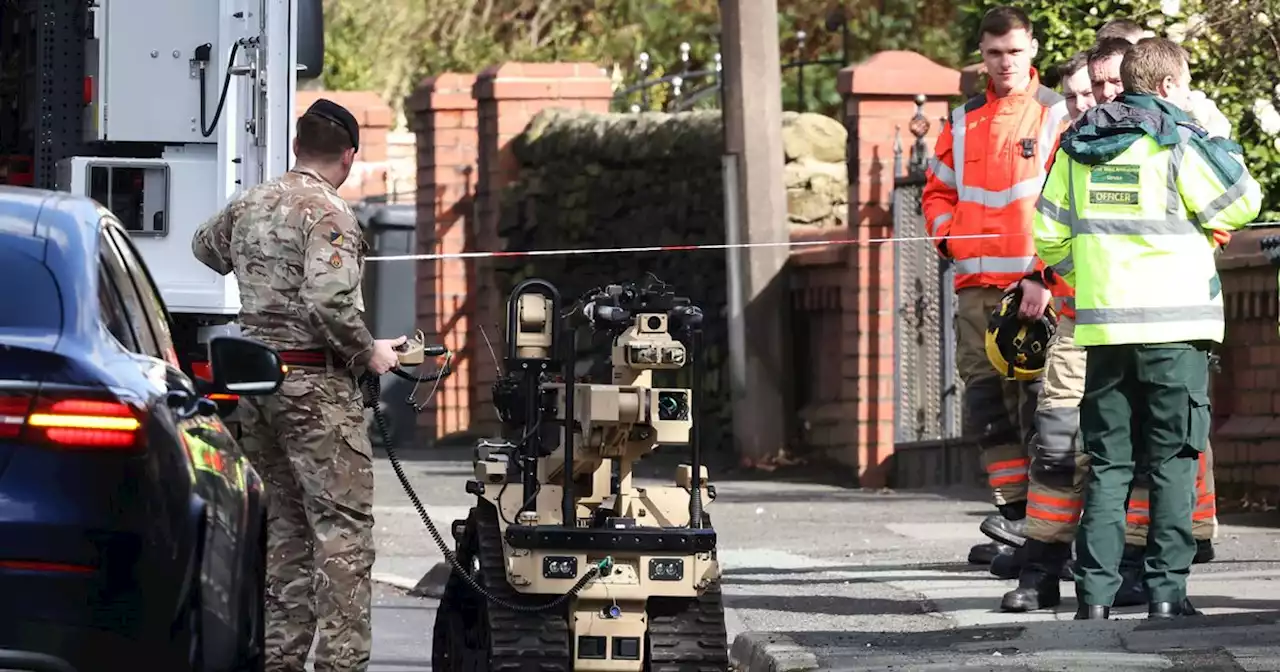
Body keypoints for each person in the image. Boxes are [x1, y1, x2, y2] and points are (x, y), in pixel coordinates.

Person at [1033, 37, 1261, 620]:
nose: (1188, 97)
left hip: (1105, 334)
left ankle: (1095, 601)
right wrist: (1217, 140)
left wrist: (1083, 279)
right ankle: (1165, 594)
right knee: (1172, 463)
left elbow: (1048, 235)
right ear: (1165, 87)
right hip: (1175, 331)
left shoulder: (1076, 145)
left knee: (1108, 465)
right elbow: (1240, 204)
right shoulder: (1178, 141)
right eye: (1184, 86)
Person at [191, 98, 406, 671]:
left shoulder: (253, 202)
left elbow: (202, 248)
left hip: (258, 387)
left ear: (295, 148)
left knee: (285, 530)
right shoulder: (329, 213)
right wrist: (370, 352)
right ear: (350, 156)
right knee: (342, 535)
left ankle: (279, 661)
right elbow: (329, 298)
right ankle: (339, 665)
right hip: (316, 389)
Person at [923, 5, 1070, 566]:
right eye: (993, 53)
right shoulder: (963, 121)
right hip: (976, 287)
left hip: (1036, 289)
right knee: (986, 406)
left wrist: (1041, 274)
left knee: (1040, 407)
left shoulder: (1055, 114)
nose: (1004, 62)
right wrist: (949, 241)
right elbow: (936, 192)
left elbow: (1064, 201)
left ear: (1032, 49)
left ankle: (1046, 530)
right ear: (980, 56)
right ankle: (1014, 520)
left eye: (1014, 51)